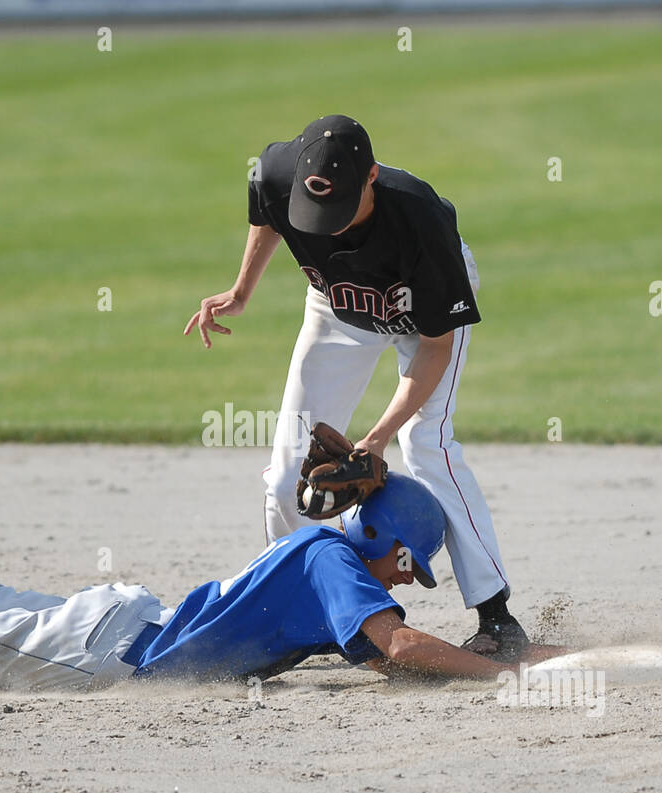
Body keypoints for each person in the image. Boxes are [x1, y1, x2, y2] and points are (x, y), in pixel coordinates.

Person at [0, 398, 562, 694]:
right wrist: (502, 674)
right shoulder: (337, 562)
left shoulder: (327, 559)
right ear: (382, 540)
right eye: (406, 562)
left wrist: (537, 652)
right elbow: (402, 644)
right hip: (110, 653)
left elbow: (389, 658)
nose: (404, 578)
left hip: (122, 623)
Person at [185, 114, 528, 659]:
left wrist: (376, 436)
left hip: (419, 310)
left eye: (340, 212)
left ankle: (497, 617)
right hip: (337, 309)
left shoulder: (421, 221)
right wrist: (242, 288)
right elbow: (266, 213)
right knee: (285, 478)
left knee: (425, 442)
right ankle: (302, 605)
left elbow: (436, 347)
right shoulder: (276, 173)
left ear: (371, 177)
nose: (330, 227)